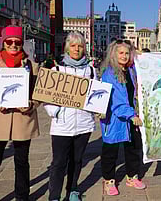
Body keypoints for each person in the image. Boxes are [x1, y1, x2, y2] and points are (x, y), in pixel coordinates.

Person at [0, 26, 40, 201]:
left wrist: (30, 104)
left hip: (22, 120)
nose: (13, 45)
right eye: (9, 41)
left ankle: (22, 197)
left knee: (21, 163)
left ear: (22, 44)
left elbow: (38, 94)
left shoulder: (32, 66)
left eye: (17, 42)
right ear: (3, 43)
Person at [44, 31, 97, 201]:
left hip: (83, 123)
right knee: (59, 163)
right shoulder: (57, 69)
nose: (77, 49)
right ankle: (54, 196)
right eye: (73, 46)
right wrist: (56, 111)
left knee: (77, 160)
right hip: (62, 125)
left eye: (80, 46)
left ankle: (73, 190)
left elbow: (96, 94)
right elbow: (46, 97)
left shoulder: (90, 70)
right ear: (67, 48)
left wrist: (94, 109)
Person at [99, 39, 145, 196]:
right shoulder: (109, 73)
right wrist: (131, 115)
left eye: (127, 53)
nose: (124, 56)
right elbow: (116, 99)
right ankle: (109, 180)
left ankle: (132, 176)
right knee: (110, 151)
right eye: (121, 53)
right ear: (114, 54)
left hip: (132, 117)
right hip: (114, 120)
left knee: (133, 149)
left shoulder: (131, 70)